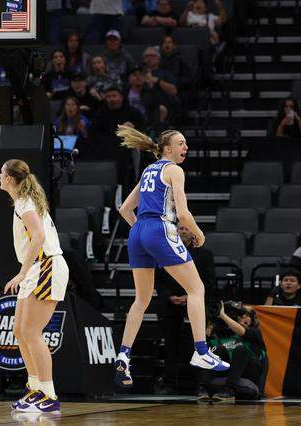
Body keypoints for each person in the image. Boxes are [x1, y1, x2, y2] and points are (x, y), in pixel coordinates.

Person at [114, 125, 229, 391]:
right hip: (158, 227)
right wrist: (199, 234)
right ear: (167, 148)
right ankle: (201, 350)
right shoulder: (174, 170)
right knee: (196, 288)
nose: (185, 147)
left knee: (141, 299)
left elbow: (123, 209)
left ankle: (123, 355)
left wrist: (143, 236)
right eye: (181, 143)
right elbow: (184, 214)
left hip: (138, 231)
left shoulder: (147, 171)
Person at [0, 159, 68, 413]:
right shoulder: (23, 201)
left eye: (2, 173)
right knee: (19, 330)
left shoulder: (25, 203)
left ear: (9, 179)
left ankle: (49, 394)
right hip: (38, 268)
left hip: (46, 265)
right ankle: (35, 388)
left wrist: (21, 272)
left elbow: (38, 237)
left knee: (31, 332)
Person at [155, 224, 215, 393]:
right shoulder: (165, 251)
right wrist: (168, 295)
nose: (181, 232)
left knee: (198, 344)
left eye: (185, 229)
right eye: (179, 229)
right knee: (170, 345)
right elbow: (159, 279)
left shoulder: (204, 254)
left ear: (193, 232)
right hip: (170, 304)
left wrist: (191, 296)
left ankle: (200, 384)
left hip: (194, 303)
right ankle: (169, 382)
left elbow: (209, 283)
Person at [202, 303, 267, 400]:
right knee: (218, 349)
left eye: (247, 316)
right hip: (227, 375)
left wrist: (223, 316)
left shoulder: (255, 333)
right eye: (241, 315)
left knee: (240, 349)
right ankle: (204, 388)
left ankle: (230, 389)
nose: (243, 317)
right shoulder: (220, 335)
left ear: (253, 320)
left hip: (249, 376)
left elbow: (241, 331)